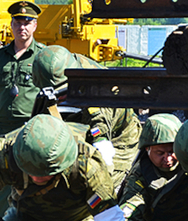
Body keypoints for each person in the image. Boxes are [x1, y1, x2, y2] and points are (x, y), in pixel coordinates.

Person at [31, 45, 140, 190]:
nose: (59, 97)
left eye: (61, 92)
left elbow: (102, 144)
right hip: (82, 123)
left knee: (99, 187)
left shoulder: (99, 91)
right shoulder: (68, 64)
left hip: (118, 141)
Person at [0, 0, 45, 216]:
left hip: (31, 132)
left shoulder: (43, 57)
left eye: (27, 22)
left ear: (35, 25)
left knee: (33, 184)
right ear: (11, 24)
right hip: (3, 131)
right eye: (17, 22)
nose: (22, 27)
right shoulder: (0, 56)